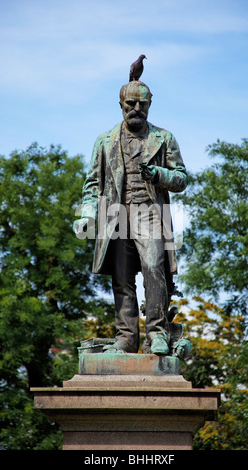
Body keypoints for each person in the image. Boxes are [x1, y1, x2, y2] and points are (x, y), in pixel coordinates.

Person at [73, 80, 188, 355]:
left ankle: (157, 333)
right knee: (121, 278)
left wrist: (160, 175)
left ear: (149, 105)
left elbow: (182, 178)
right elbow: (92, 184)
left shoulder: (164, 138)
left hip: (149, 213)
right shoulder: (104, 141)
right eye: (130, 104)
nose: (136, 109)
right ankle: (125, 338)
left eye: (142, 104)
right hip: (116, 215)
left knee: (153, 268)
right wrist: (86, 215)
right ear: (121, 105)